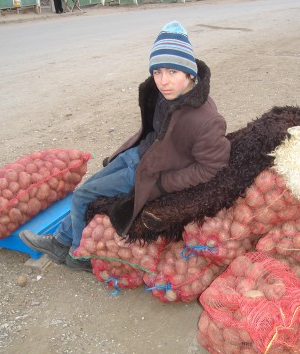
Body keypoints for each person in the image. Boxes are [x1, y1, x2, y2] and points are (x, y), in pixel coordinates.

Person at [20, 21, 231, 272]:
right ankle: (61, 240)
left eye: (172, 72)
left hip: (148, 173)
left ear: (189, 73)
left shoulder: (206, 119)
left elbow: (212, 167)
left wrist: (164, 183)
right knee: (88, 187)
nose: (163, 81)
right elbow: (155, 132)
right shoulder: (169, 95)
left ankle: (80, 255)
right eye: (157, 72)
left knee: (82, 196)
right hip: (138, 156)